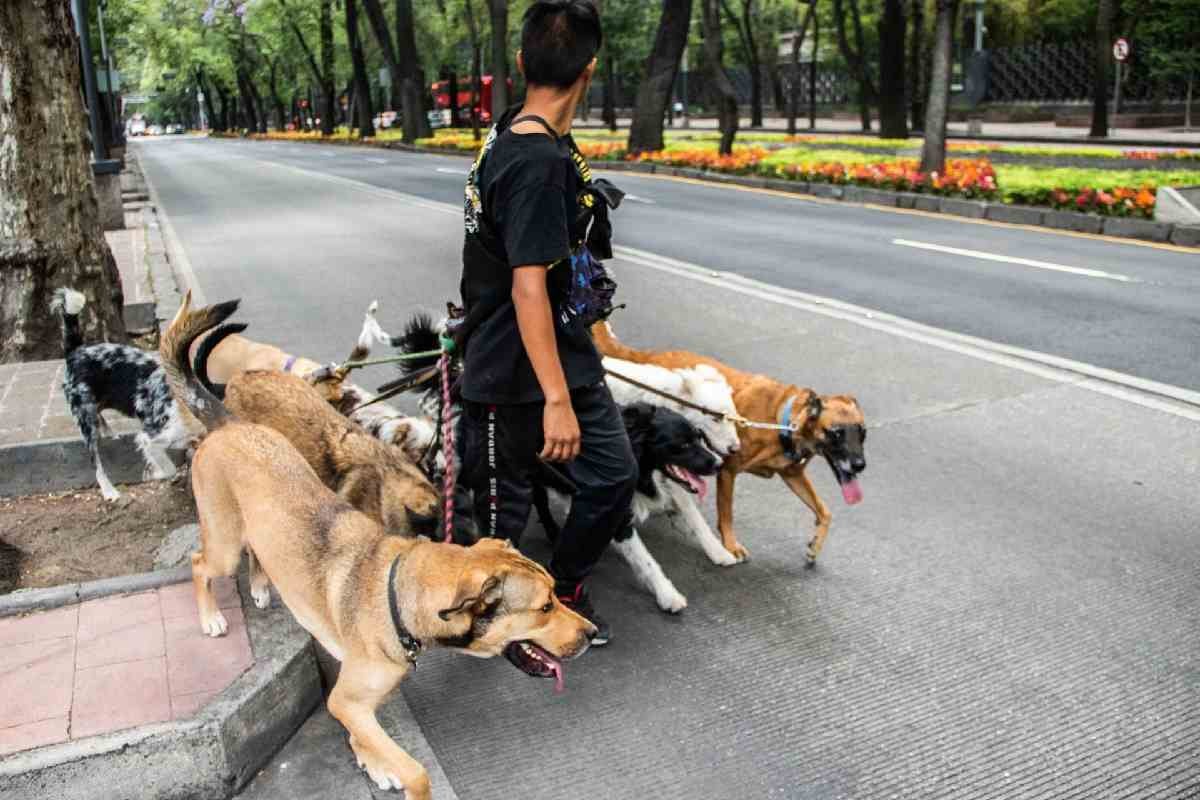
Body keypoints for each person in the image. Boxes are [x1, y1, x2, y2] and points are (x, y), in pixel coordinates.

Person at [454, 0, 634, 646]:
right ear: (591, 69)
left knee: (613, 474)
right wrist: (557, 398)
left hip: (562, 352)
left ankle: (558, 589)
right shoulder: (533, 162)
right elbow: (527, 287)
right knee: (503, 516)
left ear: (523, 61)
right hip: (511, 369)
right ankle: (500, 627)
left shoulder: (525, 134)